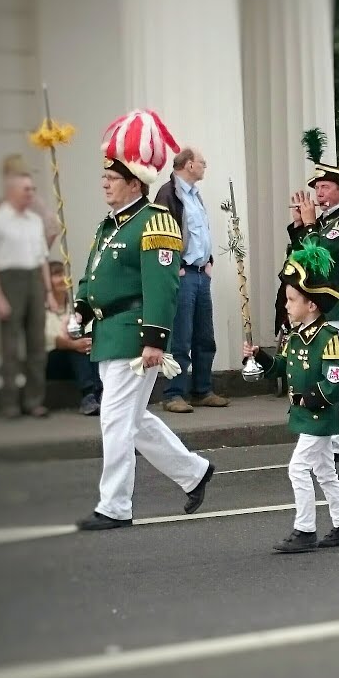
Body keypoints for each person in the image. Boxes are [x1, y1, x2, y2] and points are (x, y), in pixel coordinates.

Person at [72, 109, 215, 531]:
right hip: (109, 333)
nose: (104, 184)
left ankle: (115, 506)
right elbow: (93, 272)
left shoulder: (155, 223)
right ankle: (194, 472)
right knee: (133, 420)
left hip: (135, 336)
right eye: (104, 178)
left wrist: (155, 339)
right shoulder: (110, 226)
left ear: (134, 182)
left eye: (111, 178)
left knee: (116, 419)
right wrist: (81, 308)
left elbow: (162, 286)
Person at [244, 242, 339, 552]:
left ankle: (305, 529)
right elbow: (281, 366)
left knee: (298, 468)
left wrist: (311, 398)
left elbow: (337, 378)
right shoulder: (295, 336)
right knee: (324, 470)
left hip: (319, 415)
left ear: (311, 305)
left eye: (292, 300)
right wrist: (261, 357)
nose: (287, 305)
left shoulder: (328, 338)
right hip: (306, 414)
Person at [288, 128, 339, 459]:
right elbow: (299, 260)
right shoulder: (322, 222)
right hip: (317, 306)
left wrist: (309, 226)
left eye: (324, 187)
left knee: (328, 371)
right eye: (317, 188)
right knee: (320, 371)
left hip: (336, 305)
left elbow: (321, 259)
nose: (318, 193)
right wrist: (299, 226)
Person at [154, 147, 229, 414]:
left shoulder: (194, 195)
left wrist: (209, 263)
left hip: (199, 273)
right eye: (202, 162)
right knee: (181, 337)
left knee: (204, 335)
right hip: (184, 273)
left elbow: (201, 235)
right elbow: (161, 232)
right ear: (187, 165)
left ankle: (202, 389)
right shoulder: (168, 193)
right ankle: (174, 393)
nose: (204, 166)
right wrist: (174, 267)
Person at [0, 171, 58, 418]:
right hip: (9, 280)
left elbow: (42, 259)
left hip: (34, 278)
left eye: (32, 189)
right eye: (26, 189)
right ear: (12, 191)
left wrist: (49, 292)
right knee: (10, 346)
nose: (31, 193)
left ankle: (34, 400)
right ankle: (9, 403)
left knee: (37, 343)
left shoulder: (34, 221)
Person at [44, 261, 101, 416]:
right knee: (76, 348)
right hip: (52, 361)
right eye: (56, 275)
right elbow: (49, 339)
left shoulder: (76, 303)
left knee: (90, 342)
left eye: (63, 274)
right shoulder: (41, 307)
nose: (62, 278)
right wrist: (73, 344)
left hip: (77, 360)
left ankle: (99, 393)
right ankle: (89, 395)